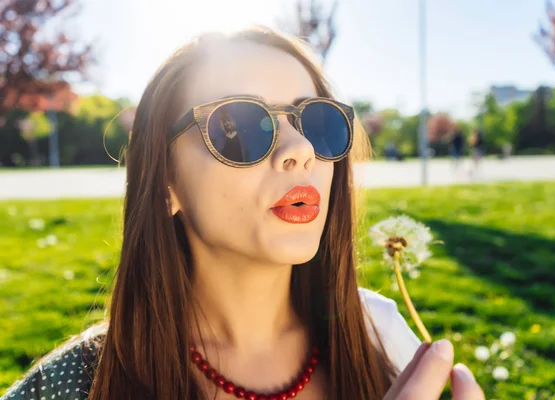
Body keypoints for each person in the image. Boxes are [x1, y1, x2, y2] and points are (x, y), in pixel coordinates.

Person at [1, 27, 484, 400]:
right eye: (240, 126)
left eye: (317, 121)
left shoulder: (380, 331)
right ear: (165, 183)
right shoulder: (70, 384)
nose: (301, 150)